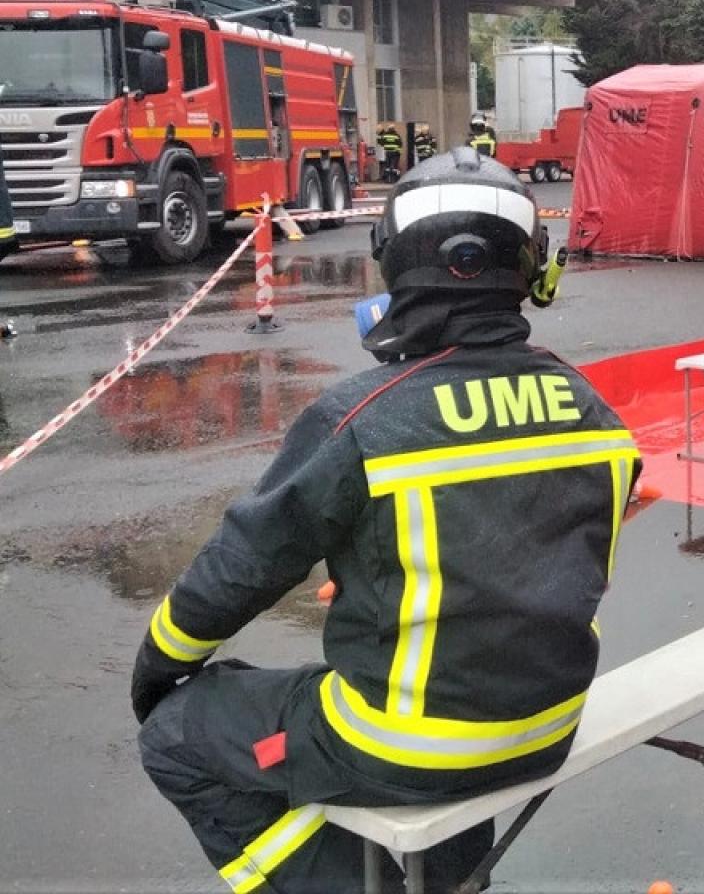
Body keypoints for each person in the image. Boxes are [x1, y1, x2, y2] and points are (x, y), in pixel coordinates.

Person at [133, 149, 639, 892]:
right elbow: (541, 554)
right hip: (546, 727)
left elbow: (242, 568)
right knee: (460, 694)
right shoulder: (595, 414)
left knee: (177, 736)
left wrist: (159, 665)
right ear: (533, 272)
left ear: (395, 268)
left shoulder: (363, 417)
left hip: (405, 745)